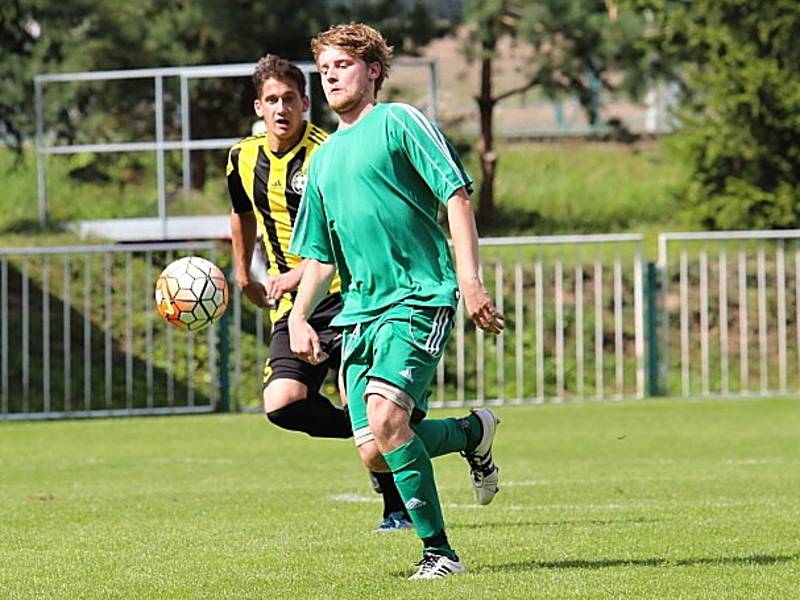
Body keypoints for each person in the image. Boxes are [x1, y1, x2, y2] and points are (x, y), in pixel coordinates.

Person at [288, 24, 504, 579]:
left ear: (373, 71)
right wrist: (297, 317)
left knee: (387, 420)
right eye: (325, 67)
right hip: (360, 314)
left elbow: (454, 194)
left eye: (343, 64)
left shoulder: (398, 122)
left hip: (418, 296)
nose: (331, 75)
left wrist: (470, 280)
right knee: (375, 449)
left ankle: (440, 554)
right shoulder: (323, 161)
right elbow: (317, 256)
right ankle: (471, 433)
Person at [226, 53, 412, 532]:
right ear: (259, 107)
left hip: (347, 296)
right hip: (295, 309)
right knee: (282, 404)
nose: (281, 108)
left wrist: (295, 273)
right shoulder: (242, 158)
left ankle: (396, 503)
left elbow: (343, 232)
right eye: (272, 100)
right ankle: (382, 432)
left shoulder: (328, 151)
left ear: (306, 103)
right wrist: (244, 273)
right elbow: (241, 211)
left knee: (363, 409)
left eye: (290, 98)